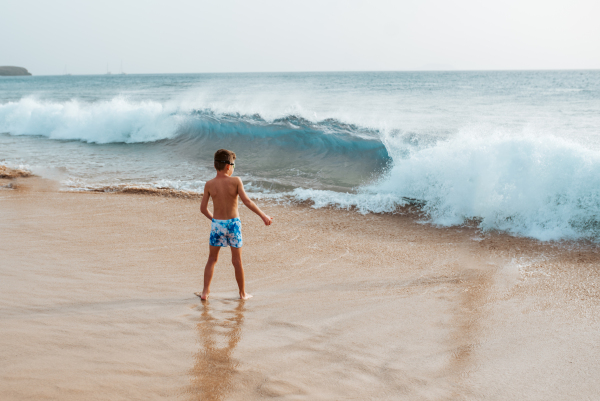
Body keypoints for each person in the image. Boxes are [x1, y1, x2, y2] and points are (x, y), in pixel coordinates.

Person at [196, 149, 272, 300]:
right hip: (233, 225)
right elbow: (247, 201)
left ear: (215, 165)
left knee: (212, 259)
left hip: (218, 224)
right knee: (237, 261)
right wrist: (263, 215)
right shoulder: (236, 181)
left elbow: (203, 209)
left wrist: (215, 221)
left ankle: (205, 292)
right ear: (228, 166)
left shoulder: (209, 184)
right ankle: (242, 294)